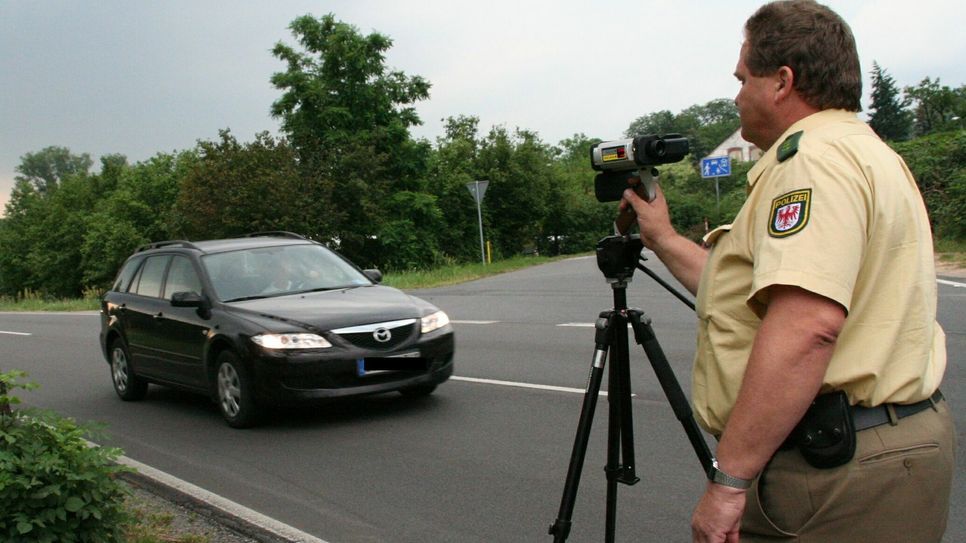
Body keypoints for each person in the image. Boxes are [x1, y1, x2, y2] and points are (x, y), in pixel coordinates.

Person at [620, 1, 954, 541]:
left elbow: (806, 327)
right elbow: (758, 295)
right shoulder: (859, 149)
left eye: (742, 78)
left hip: (840, 469)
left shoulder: (811, 164)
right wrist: (661, 238)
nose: (736, 96)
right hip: (884, 447)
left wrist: (729, 481)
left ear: (781, 82)